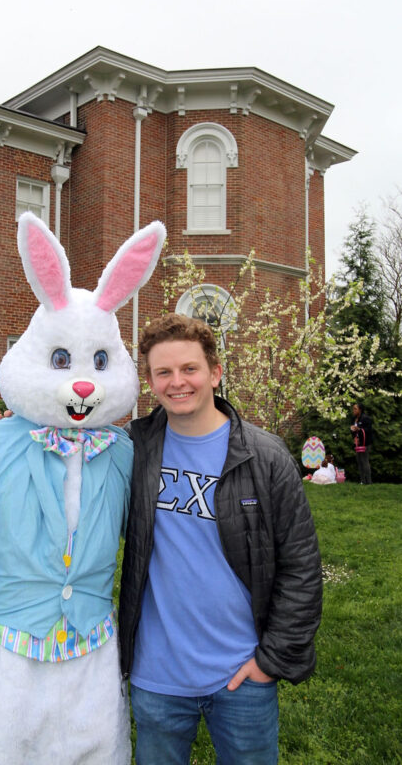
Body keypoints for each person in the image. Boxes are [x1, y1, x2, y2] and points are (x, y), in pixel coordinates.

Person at [119, 313, 323, 765]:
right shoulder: (132, 449)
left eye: (189, 369)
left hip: (243, 676)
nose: (178, 382)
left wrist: (271, 662)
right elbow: (69, 464)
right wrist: (16, 430)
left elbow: (301, 568)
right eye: (163, 372)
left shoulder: (265, 456)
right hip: (156, 678)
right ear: (150, 381)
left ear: (215, 372)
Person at [350, 402, 373, 484]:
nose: (354, 410)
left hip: (365, 443)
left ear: (360, 410)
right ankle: (362, 481)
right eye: (353, 409)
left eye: (355, 409)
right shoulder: (354, 419)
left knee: (365, 461)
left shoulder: (366, 418)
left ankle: (369, 482)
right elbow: (353, 430)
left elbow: (369, 430)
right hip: (358, 443)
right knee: (359, 461)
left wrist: (359, 429)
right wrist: (354, 437)